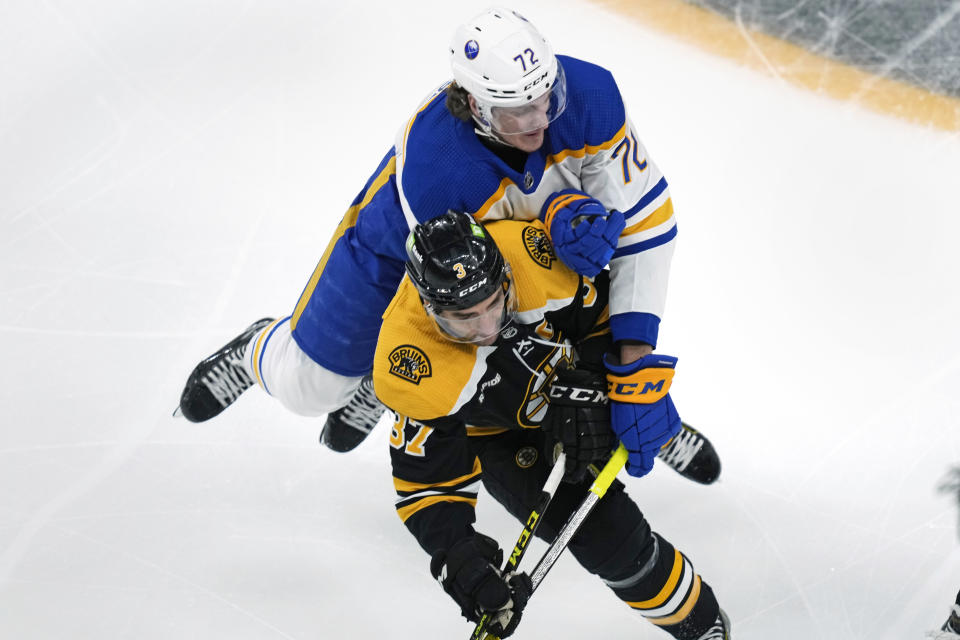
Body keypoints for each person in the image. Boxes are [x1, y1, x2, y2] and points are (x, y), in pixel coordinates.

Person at [177, 7, 687, 469]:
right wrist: (560, 217)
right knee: (310, 389)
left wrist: (635, 365)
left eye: (544, 98)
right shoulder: (440, 171)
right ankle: (259, 348)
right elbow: (468, 298)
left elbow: (645, 227)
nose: (538, 122)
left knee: (576, 307)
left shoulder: (590, 97)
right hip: (404, 248)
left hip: (503, 257)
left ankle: (385, 387)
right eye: (516, 111)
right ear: (475, 105)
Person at [374, 211, 728, 639]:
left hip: (574, 375)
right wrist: (459, 556)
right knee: (607, 539)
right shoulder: (411, 364)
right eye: (464, 318)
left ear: (504, 275)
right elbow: (428, 486)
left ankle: (655, 430)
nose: (488, 327)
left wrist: (595, 385)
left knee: (635, 411)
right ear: (429, 308)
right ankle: (699, 622)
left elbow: (610, 316)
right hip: (499, 433)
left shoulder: (527, 252)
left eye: (494, 303)